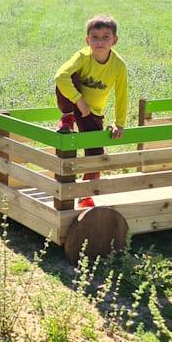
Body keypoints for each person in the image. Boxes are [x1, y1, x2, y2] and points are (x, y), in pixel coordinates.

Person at [54, 14, 128, 208]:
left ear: (115, 40)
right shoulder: (83, 56)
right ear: (88, 40)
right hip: (75, 105)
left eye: (106, 37)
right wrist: (79, 100)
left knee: (96, 154)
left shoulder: (119, 66)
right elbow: (60, 76)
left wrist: (119, 123)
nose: (100, 41)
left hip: (92, 112)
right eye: (95, 37)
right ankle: (67, 118)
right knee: (67, 77)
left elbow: (121, 95)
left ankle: (85, 194)